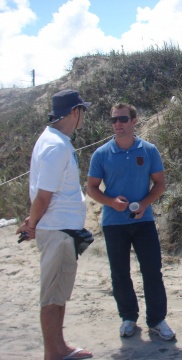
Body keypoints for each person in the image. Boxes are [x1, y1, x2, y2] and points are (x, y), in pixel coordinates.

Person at [86, 103, 175, 340]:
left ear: (134, 121)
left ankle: (157, 321)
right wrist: (111, 202)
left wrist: (144, 204)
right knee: (120, 274)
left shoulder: (148, 150)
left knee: (152, 271)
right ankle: (128, 318)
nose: (118, 124)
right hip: (113, 224)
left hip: (143, 221)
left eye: (123, 119)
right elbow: (92, 189)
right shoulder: (101, 154)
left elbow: (160, 184)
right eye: (114, 120)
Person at [16, 90, 93, 360]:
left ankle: (60, 347)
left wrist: (33, 220)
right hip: (58, 230)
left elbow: (43, 192)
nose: (83, 115)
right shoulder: (55, 146)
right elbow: (44, 195)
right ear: (75, 112)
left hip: (62, 229)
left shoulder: (57, 141)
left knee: (58, 292)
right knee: (51, 296)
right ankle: (53, 352)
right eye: (82, 110)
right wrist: (33, 223)